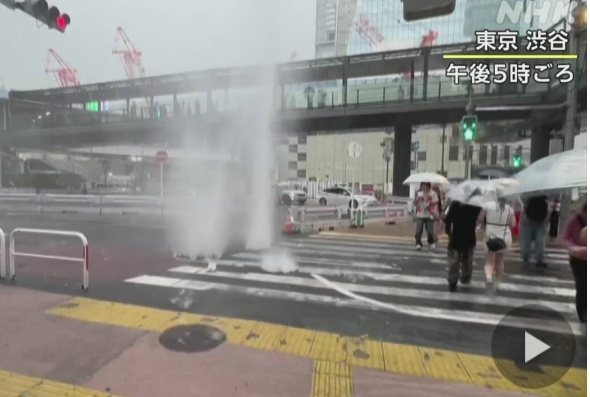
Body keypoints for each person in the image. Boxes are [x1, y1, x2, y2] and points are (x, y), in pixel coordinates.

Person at [445, 189, 483, 292]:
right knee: (460, 260)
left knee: (463, 261)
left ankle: (462, 278)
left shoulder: (475, 206)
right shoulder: (458, 204)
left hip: (464, 237)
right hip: (461, 238)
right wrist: (448, 232)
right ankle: (455, 280)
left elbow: (448, 219)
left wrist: (448, 232)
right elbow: (448, 219)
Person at [480, 196, 516, 295]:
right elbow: (513, 224)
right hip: (505, 237)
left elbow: (480, 219)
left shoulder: (487, 206)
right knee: (500, 261)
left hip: (490, 235)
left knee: (489, 261)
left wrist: (484, 225)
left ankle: (488, 278)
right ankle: (497, 283)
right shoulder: (509, 208)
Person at [563, 200, 587, 323]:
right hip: (579, 260)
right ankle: (583, 315)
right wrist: (575, 248)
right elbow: (566, 238)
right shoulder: (575, 220)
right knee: (582, 287)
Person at [520, 195, 549, 268]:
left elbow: (548, 210)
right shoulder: (528, 196)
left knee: (539, 242)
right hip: (528, 223)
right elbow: (523, 208)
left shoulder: (545, 197)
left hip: (539, 222)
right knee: (527, 243)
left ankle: (539, 260)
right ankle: (525, 259)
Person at [414, 182, 438, 250]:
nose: (424, 187)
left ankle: (431, 242)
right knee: (418, 230)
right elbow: (415, 203)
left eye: (425, 186)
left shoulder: (433, 193)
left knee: (430, 230)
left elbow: (436, 202)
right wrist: (415, 201)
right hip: (420, 214)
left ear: (428, 186)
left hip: (429, 214)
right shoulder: (419, 194)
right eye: (422, 186)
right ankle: (418, 243)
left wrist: (429, 203)